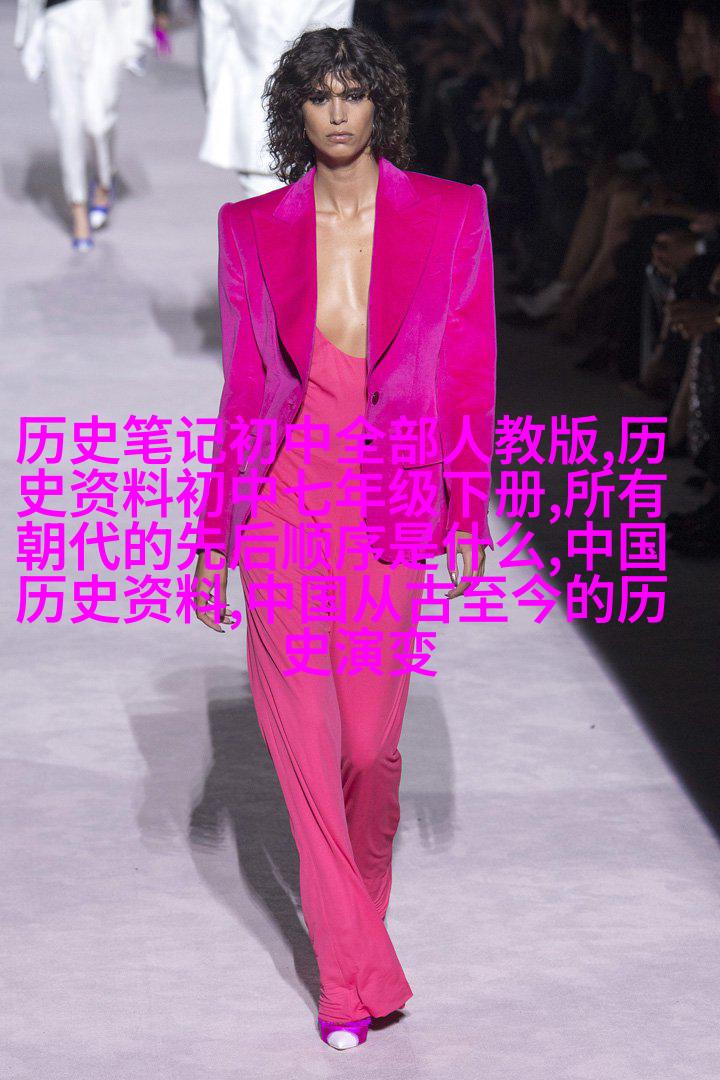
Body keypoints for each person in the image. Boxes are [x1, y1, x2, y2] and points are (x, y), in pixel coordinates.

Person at [192, 24, 497, 1049]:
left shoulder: (451, 214)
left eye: (352, 94)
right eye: (319, 95)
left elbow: (466, 369)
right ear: (297, 110)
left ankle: (355, 921)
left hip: (389, 509)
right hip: (281, 514)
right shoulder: (251, 227)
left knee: (368, 749)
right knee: (308, 758)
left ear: (379, 106)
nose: (336, 112)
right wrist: (214, 537)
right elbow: (243, 390)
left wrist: (465, 501)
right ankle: (349, 978)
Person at [14, 0, 152, 249]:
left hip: (103, 16)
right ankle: (77, 207)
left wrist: (138, 29)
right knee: (67, 118)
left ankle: (103, 181)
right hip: (57, 18)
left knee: (99, 121)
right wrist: (27, 31)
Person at [197, 0, 354, 198]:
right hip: (309, 111)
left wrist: (217, 107)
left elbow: (213, 48)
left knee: (263, 201)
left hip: (248, 111)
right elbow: (334, 50)